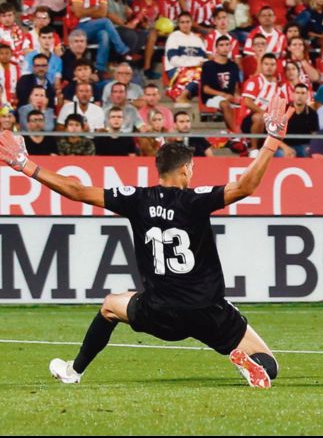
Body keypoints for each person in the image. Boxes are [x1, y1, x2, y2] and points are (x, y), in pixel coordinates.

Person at [0, 97, 296, 387]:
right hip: (207, 310)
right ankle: (252, 366)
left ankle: (73, 371)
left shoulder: (136, 199)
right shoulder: (196, 200)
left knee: (109, 306)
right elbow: (246, 186)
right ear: (184, 169)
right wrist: (271, 140)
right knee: (269, 362)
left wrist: (27, 165)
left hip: (158, 311)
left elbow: (77, 190)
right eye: (191, 168)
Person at [201, 36, 241, 132]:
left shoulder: (234, 66)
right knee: (224, 104)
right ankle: (237, 134)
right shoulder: (208, 65)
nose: (225, 47)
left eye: (227, 45)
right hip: (212, 98)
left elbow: (235, 85)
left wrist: (236, 95)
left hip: (230, 97)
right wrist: (223, 95)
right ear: (216, 48)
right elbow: (205, 89)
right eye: (221, 45)